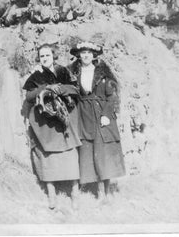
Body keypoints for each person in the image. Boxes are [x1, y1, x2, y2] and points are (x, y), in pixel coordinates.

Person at [23, 43, 81, 210]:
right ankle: (52, 196)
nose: (45, 58)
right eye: (42, 56)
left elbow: (75, 89)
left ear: (53, 56)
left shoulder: (63, 71)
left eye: (48, 55)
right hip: (46, 123)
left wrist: (59, 89)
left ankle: (75, 194)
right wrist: (45, 88)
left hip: (63, 120)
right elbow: (29, 96)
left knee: (70, 156)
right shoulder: (36, 76)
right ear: (39, 59)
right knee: (48, 157)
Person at [69, 41, 126, 201]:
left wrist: (106, 114)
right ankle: (90, 187)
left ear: (93, 55)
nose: (85, 55)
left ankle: (104, 192)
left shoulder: (103, 74)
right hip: (83, 114)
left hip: (100, 113)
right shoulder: (73, 74)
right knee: (87, 150)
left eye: (88, 52)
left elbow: (112, 96)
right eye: (83, 52)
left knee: (102, 152)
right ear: (78, 55)